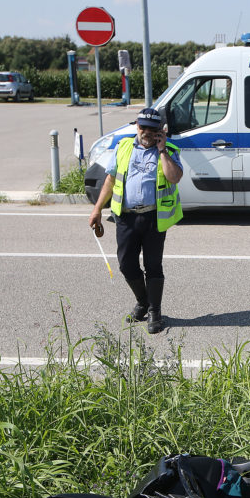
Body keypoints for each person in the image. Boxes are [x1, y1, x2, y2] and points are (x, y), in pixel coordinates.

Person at [88, 108, 184, 334]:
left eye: (153, 129)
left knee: (153, 266)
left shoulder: (169, 150)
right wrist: (97, 209)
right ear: (136, 126)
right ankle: (143, 302)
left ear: (161, 131)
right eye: (143, 127)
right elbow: (110, 180)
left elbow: (175, 177)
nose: (147, 132)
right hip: (126, 217)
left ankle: (155, 311)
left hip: (153, 218)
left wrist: (162, 151)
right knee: (126, 264)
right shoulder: (123, 148)